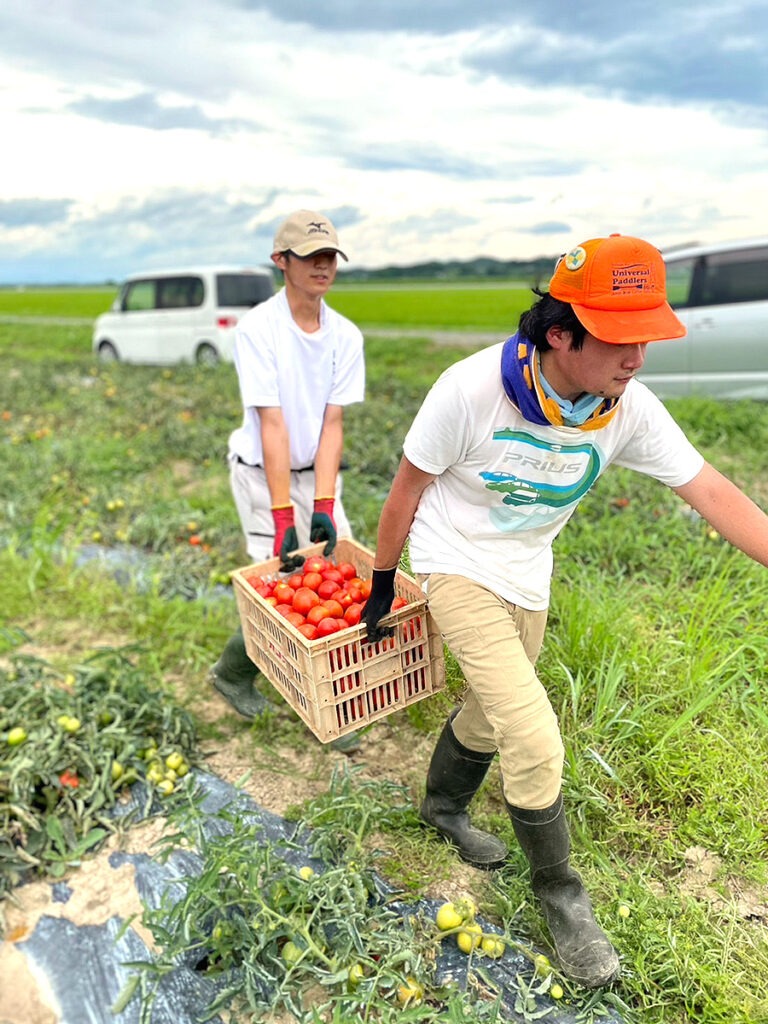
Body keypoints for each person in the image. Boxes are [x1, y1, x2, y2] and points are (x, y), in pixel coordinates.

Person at [360, 233, 768, 987]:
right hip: (454, 561)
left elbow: (712, 490)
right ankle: (561, 895)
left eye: (647, 338)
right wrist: (383, 579)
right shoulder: (470, 389)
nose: (636, 359)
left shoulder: (626, 409)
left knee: (490, 712)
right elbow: (406, 490)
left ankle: (442, 809)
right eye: (619, 340)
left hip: (526, 572)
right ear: (559, 333)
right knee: (534, 734)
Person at [211, 209, 366, 754]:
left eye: (330, 257)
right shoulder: (259, 330)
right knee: (278, 592)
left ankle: (336, 701)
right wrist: (284, 519)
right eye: (310, 257)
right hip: (262, 477)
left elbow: (333, 423)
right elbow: (271, 424)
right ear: (282, 262)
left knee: (338, 580)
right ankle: (234, 672)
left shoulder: (345, 335)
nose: (323, 266)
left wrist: (323, 500)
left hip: (317, 474)